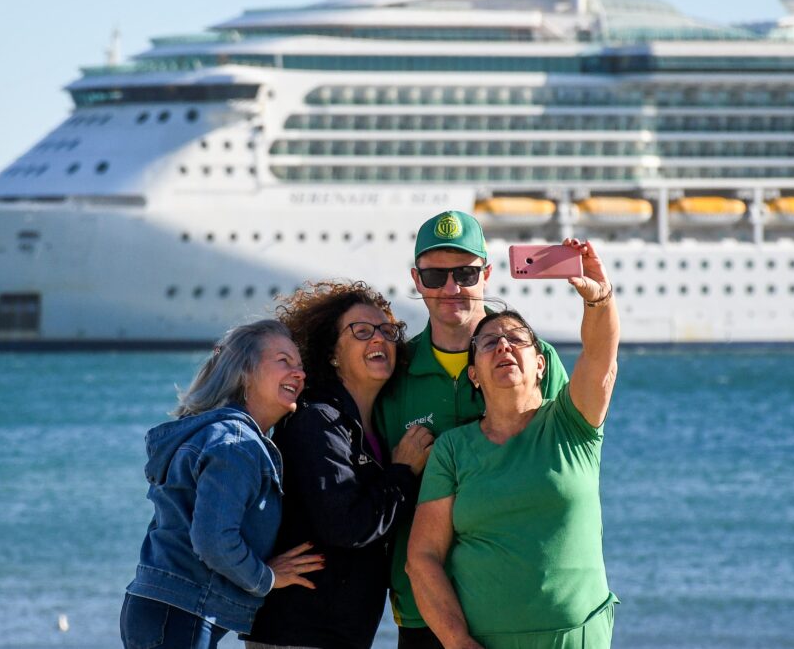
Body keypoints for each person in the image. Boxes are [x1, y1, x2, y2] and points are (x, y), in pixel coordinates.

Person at [407, 238, 620, 649]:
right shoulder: (453, 449)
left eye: (517, 340)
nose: (504, 345)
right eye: (489, 343)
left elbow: (601, 357)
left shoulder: (572, 426)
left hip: (577, 639)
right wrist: (457, 641)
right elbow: (423, 558)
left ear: (540, 364)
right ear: (474, 375)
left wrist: (599, 297)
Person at [374, 210, 570, 649]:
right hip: (424, 605)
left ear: (487, 275)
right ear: (415, 278)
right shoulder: (395, 372)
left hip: (520, 602)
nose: (451, 288)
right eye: (434, 275)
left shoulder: (538, 360)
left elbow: (567, 461)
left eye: (464, 273)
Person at [246, 281, 435, 649]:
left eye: (388, 331)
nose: (379, 339)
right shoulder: (317, 420)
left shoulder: (373, 426)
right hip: (300, 632)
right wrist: (403, 471)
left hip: (339, 633)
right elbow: (346, 525)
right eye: (361, 332)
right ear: (332, 353)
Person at [121, 319, 325, 649]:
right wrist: (266, 578)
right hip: (182, 613)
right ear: (244, 372)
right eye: (283, 361)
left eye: (300, 366)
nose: (299, 373)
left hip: (161, 606)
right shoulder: (236, 445)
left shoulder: (213, 432)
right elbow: (213, 539)